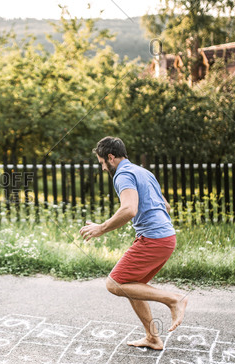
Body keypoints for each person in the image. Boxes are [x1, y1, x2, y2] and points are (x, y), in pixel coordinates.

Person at [79, 136, 187, 350]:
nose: (102, 168)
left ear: (111, 157)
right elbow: (165, 206)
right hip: (165, 237)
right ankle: (152, 338)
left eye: (102, 163)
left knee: (115, 283)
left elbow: (129, 209)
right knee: (131, 284)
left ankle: (173, 299)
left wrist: (101, 228)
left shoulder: (122, 175)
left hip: (155, 239)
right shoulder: (143, 172)